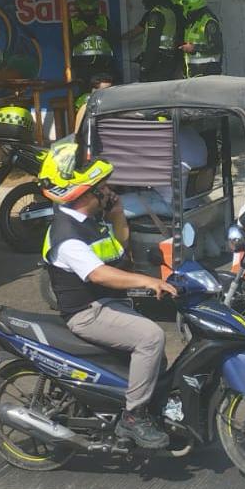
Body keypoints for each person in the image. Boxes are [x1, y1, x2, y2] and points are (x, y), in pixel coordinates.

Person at [38, 144, 178, 449]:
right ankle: (133, 417)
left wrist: (117, 216)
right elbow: (100, 275)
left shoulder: (90, 221)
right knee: (151, 338)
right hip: (87, 313)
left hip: (108, 304)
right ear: (84, 193)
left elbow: (119, 254)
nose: (109, 190)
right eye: (102, 187)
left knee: (157, 358)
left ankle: (151, 408)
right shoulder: (66, 236)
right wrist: (148, 281)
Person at [132, 0, 181, 82]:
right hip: (169, 59)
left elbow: (153, 44)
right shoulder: (169, 12)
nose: (143, 1)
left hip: (157, 63)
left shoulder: (155, 15)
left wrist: (145, 67)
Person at [70, 0, 115, 90]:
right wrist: (84, 34)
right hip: (82, 69)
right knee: (85, 98)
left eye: (92, 11)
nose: (89, 14)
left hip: (104, 67)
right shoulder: (72, 23)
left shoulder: (104, 20)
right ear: (79, 10)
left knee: (105, 97)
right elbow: (67, 44)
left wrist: (101, 32)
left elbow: (114, 39)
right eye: (86, 12)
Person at [174, 0, 223, 77]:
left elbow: (217, 47)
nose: (182, 9)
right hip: (195, 74)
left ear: (190, 5)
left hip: (208, 74)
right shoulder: (193, 23)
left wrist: (194, 48)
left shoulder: (209, 22)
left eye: (183, 5)